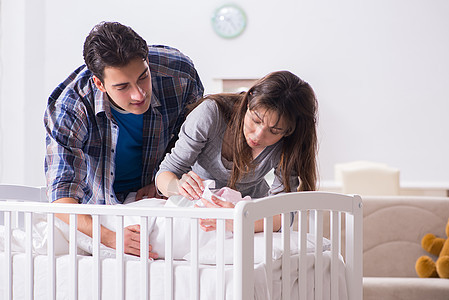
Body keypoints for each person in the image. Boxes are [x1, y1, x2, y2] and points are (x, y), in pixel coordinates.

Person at [44, 21, 204, 257]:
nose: (139, 94)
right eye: (122, 86)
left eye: (143, 77)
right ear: (100, 83)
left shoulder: (180, 77)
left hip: (158, 197)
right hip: (98, 210)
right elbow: (61, 197)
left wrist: (162, 179)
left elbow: (191, 142)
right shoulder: (69, 107)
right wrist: (111, 238)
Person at [155, 70, 318, 232]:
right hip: (200, 206)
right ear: (249, 101)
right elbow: (165, 173)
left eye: (274, 131)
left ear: (288, 131)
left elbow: (285, 213)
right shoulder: (210, 114)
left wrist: (241, 221)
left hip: (251, 211)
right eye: (255, 120)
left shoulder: (289, 144)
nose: (258, 135)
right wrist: (178, 187)